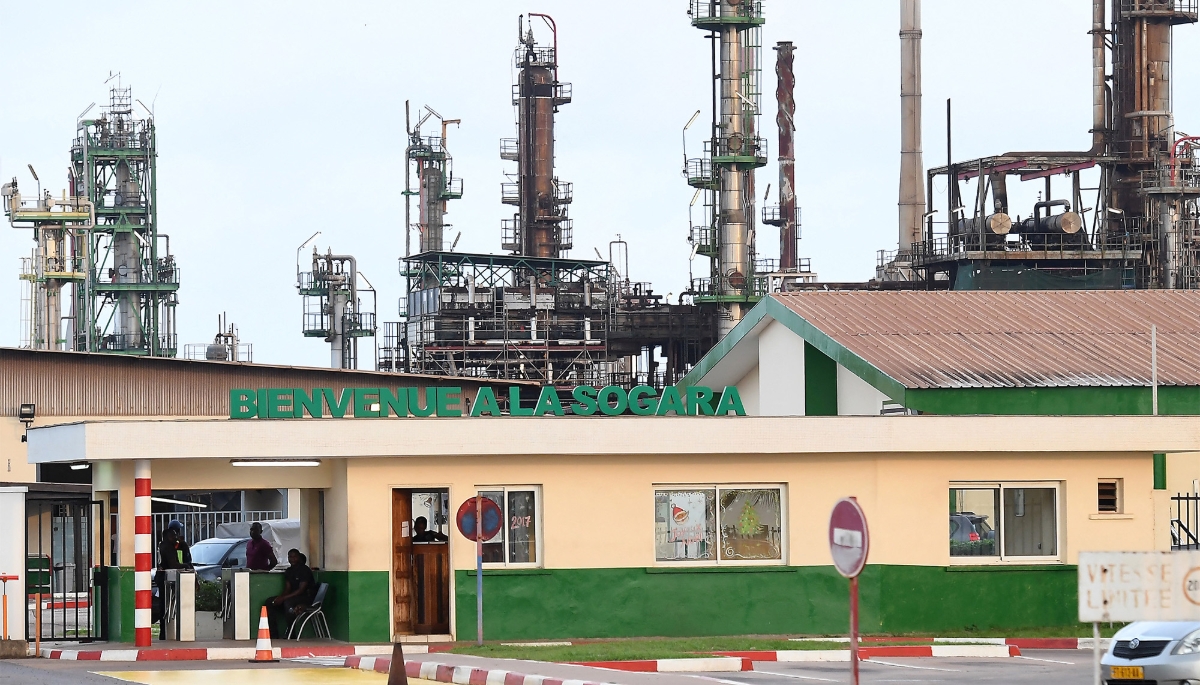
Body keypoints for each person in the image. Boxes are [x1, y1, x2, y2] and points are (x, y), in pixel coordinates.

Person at [155, 520, 193, 638]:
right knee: (166, 607)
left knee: (165, 606)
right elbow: (175, 563)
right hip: (169, 579)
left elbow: (186, 559)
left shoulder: (174, 545)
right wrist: (186, 566)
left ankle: (167, 633)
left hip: (170, 577)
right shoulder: (168, 546)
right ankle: (165, 633)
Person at [266, 549, 316, 638]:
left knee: (287, 604)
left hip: (305, 598)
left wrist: (284, 599)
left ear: (299, 558)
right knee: (270, 602)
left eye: (295, 557)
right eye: (290, 557)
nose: (292, 559)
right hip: (293, 597)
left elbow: (301, 590)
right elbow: (288, 588)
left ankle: (291, 633)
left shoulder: (304, 570)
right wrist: (280, 598)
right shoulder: (289, 571)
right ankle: (274, 634)